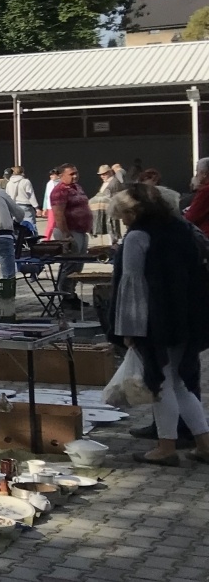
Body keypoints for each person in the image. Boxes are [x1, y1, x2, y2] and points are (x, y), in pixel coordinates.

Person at [107, 184, 209, 467]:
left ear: (133, 212)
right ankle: (204, 444)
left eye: (124, 215)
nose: (123, 221)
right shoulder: (182, 229)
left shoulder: (138, 237)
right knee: (179, 382)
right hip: (186, 316)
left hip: (155, 320)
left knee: (160, 383)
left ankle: (166, 447)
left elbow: (133, 285)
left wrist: (129, 329)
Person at [48, 163, 92, 303]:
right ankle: (66, 296)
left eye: (76, 173)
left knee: (78, 265)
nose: (75, 176)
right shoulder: (59, 191)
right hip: (69, 231)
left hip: (81, 231)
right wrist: (66, 235)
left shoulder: (77, 187)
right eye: (71, 174)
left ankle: (72, 294)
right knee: (70, 264)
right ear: (61, 175)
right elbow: (58, 214)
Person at [183, 158, 209, 238]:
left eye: (197, 171)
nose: (196, 175)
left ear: (204, 174)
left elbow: (190, 217)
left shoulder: (205, 191)